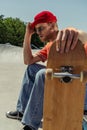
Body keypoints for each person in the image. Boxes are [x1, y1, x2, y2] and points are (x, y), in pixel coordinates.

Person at [6, 11, 87, 130]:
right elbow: (28, 60)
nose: (38, 33)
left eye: (41, 28)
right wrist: (28, 35)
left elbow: (82, 36)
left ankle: (30, 125)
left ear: (53, 25)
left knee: (42, 74)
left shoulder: (70, 38)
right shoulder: (50, 46)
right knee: (32, 69)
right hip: (65, 82)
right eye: (36, 30)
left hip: (82, 89)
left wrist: (74, 32)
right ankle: (22, 111)